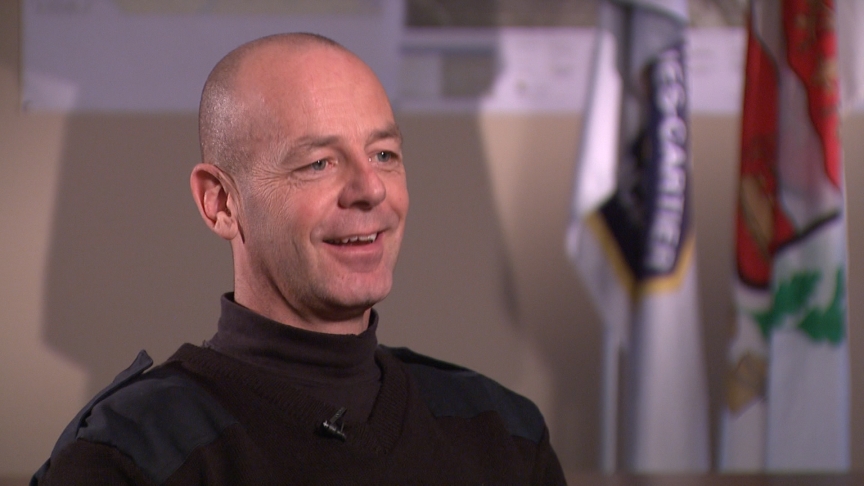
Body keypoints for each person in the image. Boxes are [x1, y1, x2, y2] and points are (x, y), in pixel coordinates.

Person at [32, 33, 566, 485]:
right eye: (318, 163)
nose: (370, 189)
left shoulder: (503, 432)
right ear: (220, 203)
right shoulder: (131, 455)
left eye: (383, 155)